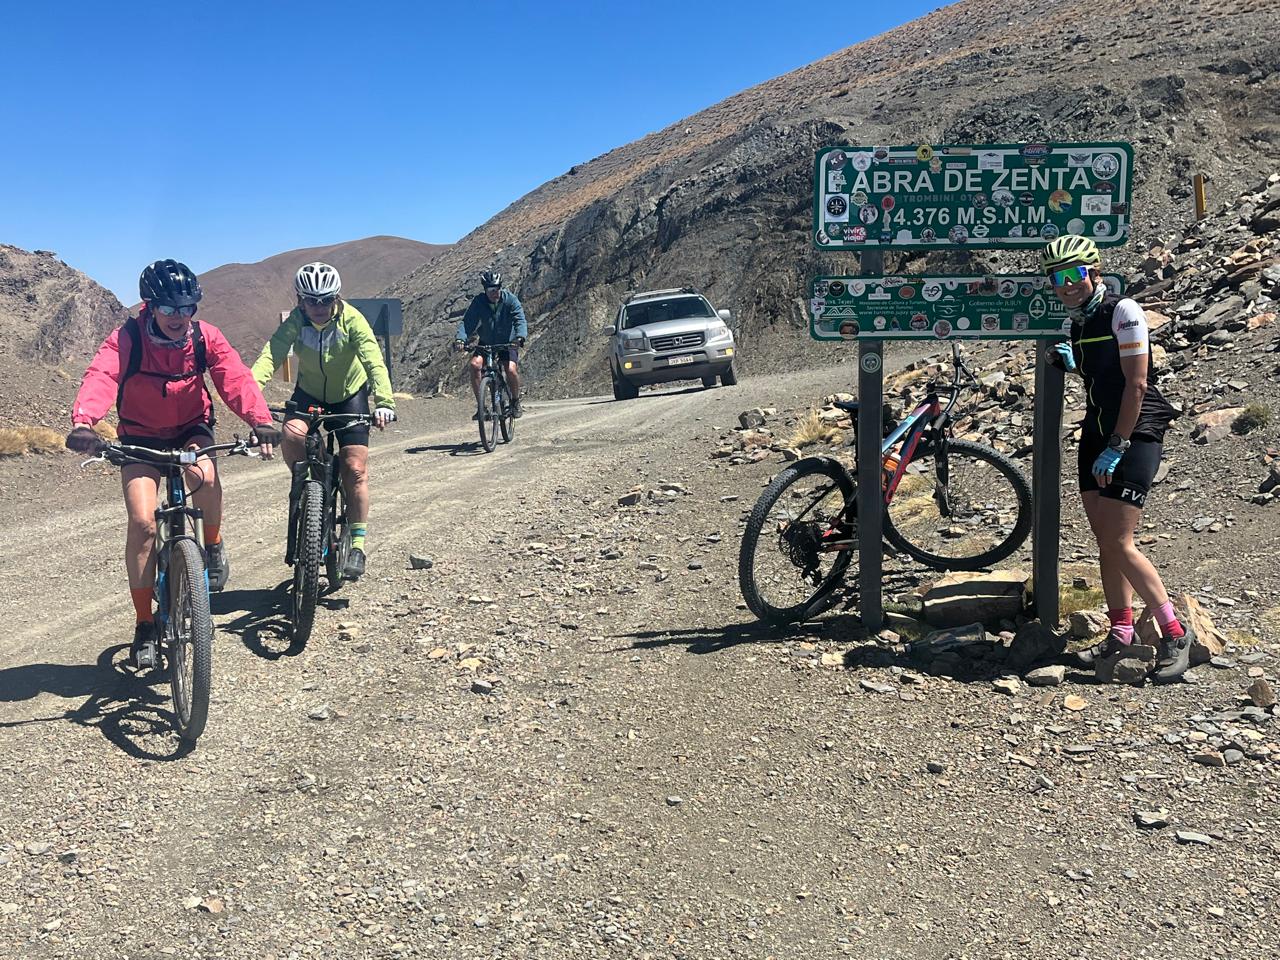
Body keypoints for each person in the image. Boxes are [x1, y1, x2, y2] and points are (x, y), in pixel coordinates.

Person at [65, 259, 280, 669]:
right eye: (169, 309)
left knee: (204, 474)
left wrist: (261, 420)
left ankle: (212, 547)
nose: (180, 317)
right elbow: (102, 377)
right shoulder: (126, 338)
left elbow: (233, 377)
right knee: (144, 523)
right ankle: (145, 624)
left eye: (187, 308)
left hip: (190, 428)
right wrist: (84, 422)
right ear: (150, 306)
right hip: (139, 437)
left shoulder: (204, 337)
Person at [1041, 235, 1191, 682]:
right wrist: (1072, 364)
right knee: (1106, 543)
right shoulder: (1080, 322)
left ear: (1094, 273)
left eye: (1075, 274)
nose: (1067, 284)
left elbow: (1137, 385)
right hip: (1097, 432)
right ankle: (1121, 633)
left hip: (1134, 433)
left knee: (1121, 542)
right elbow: (1102, 375)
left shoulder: (1124, 311)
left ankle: (1174, 631)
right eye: (1057, 277)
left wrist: (1120, 444)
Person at [251, 262, 395, 581]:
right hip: (309, 393)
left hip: (349, 394)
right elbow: (269, 357)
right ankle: (306, 485)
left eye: (325, 300)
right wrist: (249, 398)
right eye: (310, 300)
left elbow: (374, 361)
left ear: (336, 297)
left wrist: (384, 402)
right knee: (290, 434)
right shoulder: (296, 322)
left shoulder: (352, 320)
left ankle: (357, 544)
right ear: (300, 300)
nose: (318, 307)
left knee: (354, 469)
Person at [453, 270, 528, 418]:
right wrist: (461, 339)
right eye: (492, 290)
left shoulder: (510, 300)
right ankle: (482, 407)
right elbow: (468, 322)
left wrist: (519, 337)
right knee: (475, 365)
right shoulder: (479, 302)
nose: (496, 293)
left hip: (508, 342)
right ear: (485, 290)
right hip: (487, 342)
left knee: (510, 370)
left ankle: (514, 401)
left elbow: (519, 319)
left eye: (498, 289)